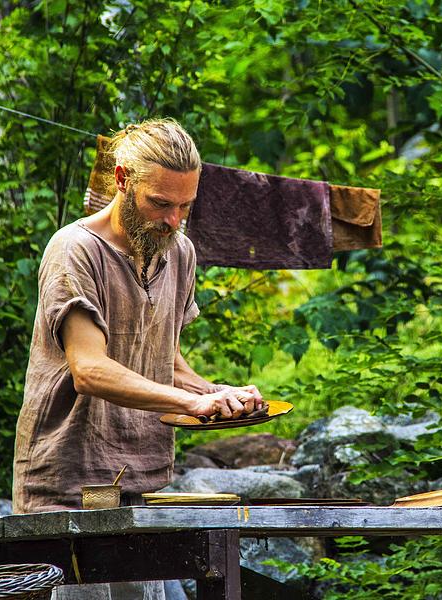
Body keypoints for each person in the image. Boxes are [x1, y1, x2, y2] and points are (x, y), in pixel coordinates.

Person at [13, 118, 264, 516]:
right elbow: (89, 370)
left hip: (145, 482)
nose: (174, 221)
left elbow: (168, 364)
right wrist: (189, 404)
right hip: (68, 489)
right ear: (122, 179)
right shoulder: (75, 249)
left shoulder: (180, 252)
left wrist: (215, 394)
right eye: (161, 203)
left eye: (185, 206)